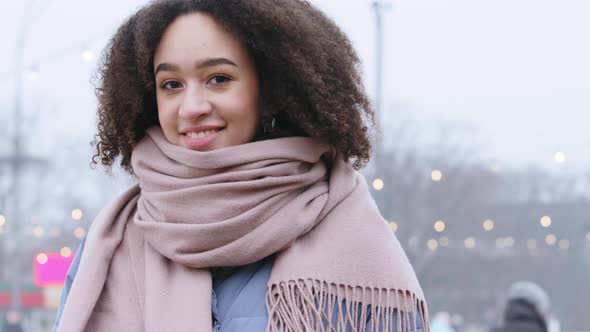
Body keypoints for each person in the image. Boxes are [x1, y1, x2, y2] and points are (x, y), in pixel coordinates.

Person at [53, 0, 428, 331]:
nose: (192, 106)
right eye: (171, 84)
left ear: (271, 91)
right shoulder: (113, 240)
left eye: (218, 79)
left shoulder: (349, 228)